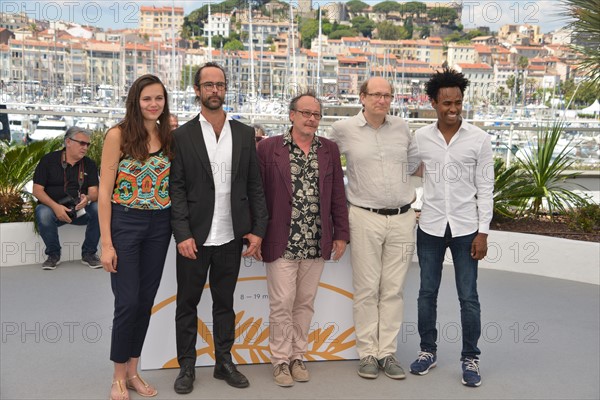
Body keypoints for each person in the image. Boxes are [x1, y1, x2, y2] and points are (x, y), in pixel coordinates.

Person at [170, 62, 268, 394]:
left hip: (231, 236)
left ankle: (223, 362)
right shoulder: (181, 136)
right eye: (208, 85)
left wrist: (258, 229)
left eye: (220, 85)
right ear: (197, 90)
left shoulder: (243, 133)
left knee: (224, 303)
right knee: (187, 303)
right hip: (194, 239)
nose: (215, 90)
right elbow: (177, 190)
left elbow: (255, 185)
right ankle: (186, 366)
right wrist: (182, 234)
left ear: (226, 89)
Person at [407, 68, 494, 387]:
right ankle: (427, 351)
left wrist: (483, 231)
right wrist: (412, 204)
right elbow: (411, 175)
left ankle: (471, 357)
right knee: (426, 293)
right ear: (433, 103)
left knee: (468, 296)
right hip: (428, 226)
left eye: (458, 102)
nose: (453, 109)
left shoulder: (479, 139)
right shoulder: (420, 138)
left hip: (466, 229)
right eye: (446, 103)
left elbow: (486, 187)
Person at [256, 92, 350, 387]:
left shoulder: (330, 150)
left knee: (305, 303)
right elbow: (257, 195)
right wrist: (255, 234)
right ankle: (280, 361)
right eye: (306, 113)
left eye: (317, 114)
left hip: (316, 240)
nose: (312, 119)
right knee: (282, 303)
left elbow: (337, 194)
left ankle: (298, 356)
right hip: (280, 239)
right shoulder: (268, 148)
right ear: (291, 115)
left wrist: (342, 234)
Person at [330, 77, 416, 380]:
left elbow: (415, 163)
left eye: (387, 95)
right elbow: (325, 164)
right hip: (364, 216)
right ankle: (367, 351)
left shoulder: (403, 128)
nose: (382, 100)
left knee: (393, 290)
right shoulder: (343, 130)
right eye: (376, 95)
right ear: (362, 97)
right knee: (367, 289)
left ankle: (387, 353)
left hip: (404, 218)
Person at [98, 74, 173, 400]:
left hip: (161, 225)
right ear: (135, 101)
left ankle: (133, 372)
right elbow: (104, 192)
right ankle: (117, 376)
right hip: (126, 224)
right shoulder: (118, 135)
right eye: (147, 99)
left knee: (144, 303)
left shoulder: (167, 134)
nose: (153, 104)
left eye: (158, 98)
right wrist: (107, 243)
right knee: (127, 303)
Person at [32, 127, 101, 270]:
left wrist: (87, 198)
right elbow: (37, 191)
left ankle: (89, 253)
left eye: (88, 144)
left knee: (99, 208)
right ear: (68, 141)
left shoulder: (89, 164)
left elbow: (95, 193)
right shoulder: (48, 160)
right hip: (54, 211)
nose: (85, 148)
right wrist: (56, 207)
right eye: (82, 143)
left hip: (80, 211)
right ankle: (53, 255)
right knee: (43, 212)